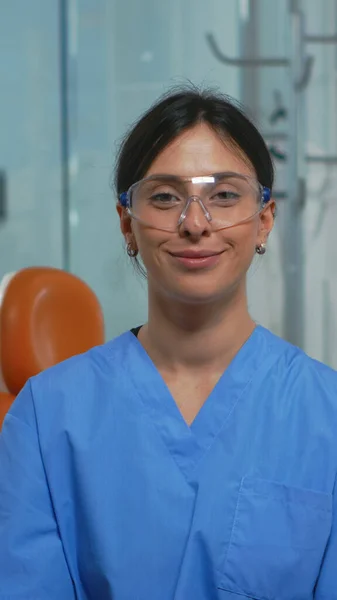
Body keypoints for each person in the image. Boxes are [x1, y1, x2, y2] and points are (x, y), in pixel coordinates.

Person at [0, 87, 336, 600]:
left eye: (224, 195)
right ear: (127, 224)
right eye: (165, 197)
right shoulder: (48, 417)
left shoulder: (325, 414)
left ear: (264, 219)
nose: (195, 223)